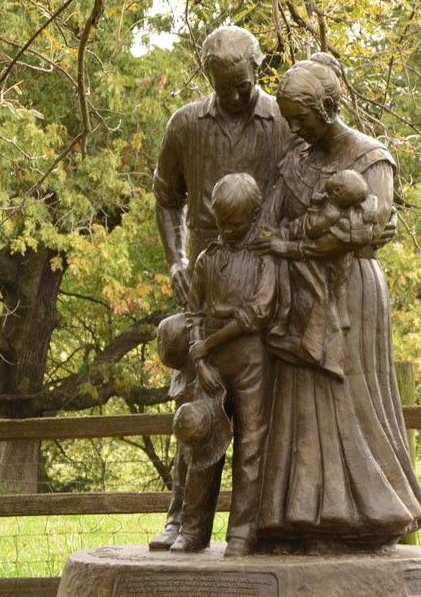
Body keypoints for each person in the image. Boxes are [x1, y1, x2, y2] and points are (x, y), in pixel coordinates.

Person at [251, 54, 421, 551]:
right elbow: (268, 221)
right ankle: (299, 517)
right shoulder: (295, 159)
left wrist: (306, 240)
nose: (293, 127)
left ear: (328, 108)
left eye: (301, 118)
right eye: (288, 118)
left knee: (348, 401)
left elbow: (368, 229)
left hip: (350, 291)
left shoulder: (369, 158)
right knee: (299, 408)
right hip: (298, 292)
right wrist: (297, 240)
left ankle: (368, 516)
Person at [149, 26, 292, 550]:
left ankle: (258, 525)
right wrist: (177, 260)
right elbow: (166, 197)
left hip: (262, 281)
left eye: (242, 85)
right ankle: (183, 520)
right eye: (222, 86)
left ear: (259, 70)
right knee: (196, 406)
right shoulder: (185, 125)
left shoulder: (282, 119)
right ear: (207, 75)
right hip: (205, 284)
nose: (232, 95)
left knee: (261, 419)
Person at [170, 173, 276, 557]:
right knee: (201, 436)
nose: (227, 230)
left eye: (235, 223)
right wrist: (200, 357)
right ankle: (193, 529)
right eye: (221, 222)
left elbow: (257, 313)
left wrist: (206, 345)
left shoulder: (265, 260)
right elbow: (194, 310)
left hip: (251, 363)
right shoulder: (207, 259)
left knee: (250, 447)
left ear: (253, 215)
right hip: (211, 365)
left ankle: (243, 533)